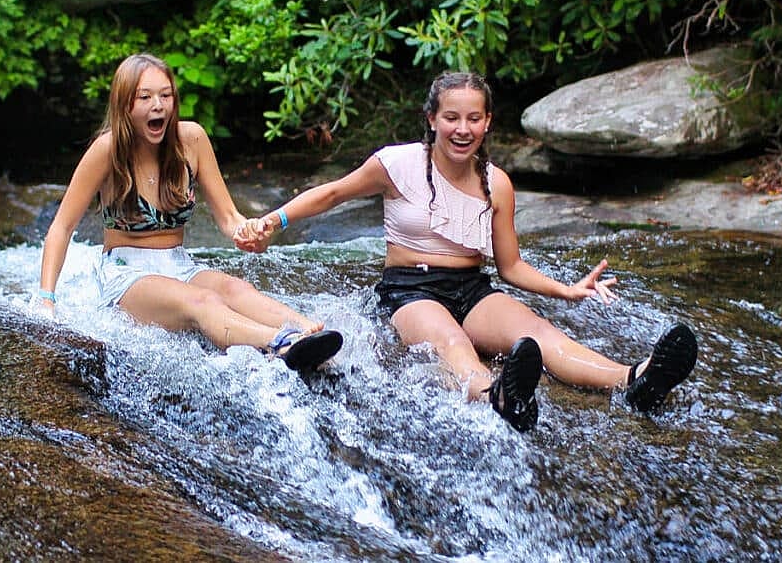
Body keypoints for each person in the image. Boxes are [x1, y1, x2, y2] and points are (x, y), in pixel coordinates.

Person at [240, 71, 697, 431]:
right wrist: (272, 221)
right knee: (451, 342)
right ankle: (494, 395)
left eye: (473, 119)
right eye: (452, 118)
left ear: (487, 122)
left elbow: (511, 266)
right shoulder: (395, 164)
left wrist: (566, 291)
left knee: (538, 333)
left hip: (472, 288)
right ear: (432, 120)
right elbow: (332, 195)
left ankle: (635, 380)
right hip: (409, 290)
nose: (462, 129)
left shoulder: (496, 183)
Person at [37, 53, 342, 371]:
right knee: (203, 302)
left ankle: (310, 334)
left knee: (236, 289)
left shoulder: (192, 140)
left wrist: (246, 231)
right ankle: (280, 344)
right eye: (145, 97)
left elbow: (228, 217)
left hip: (179, 264)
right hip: (126, 274)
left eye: (165, 95)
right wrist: (47, 300)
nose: (158, 105)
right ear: (124, 104)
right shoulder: (107, 150)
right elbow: (62, 226)